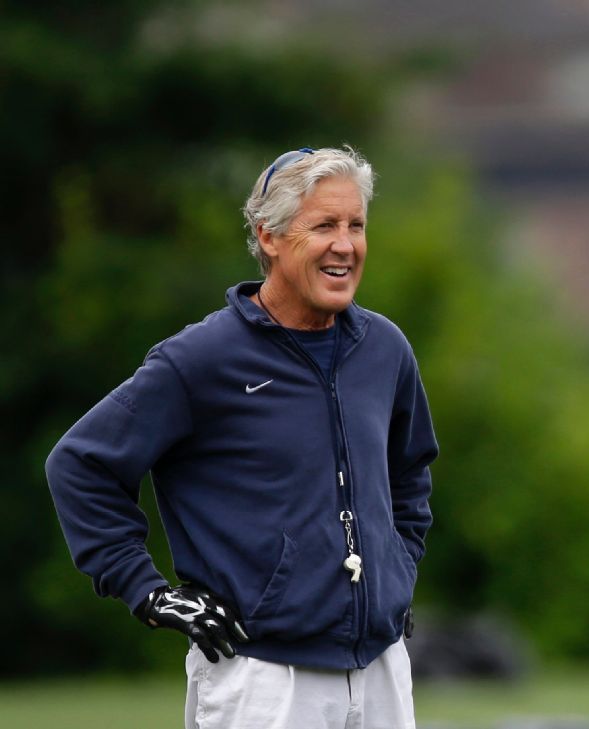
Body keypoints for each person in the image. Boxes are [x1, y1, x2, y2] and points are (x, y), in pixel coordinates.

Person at [46, 146, 438, 729]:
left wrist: (395, 575)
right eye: (324, 226)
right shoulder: (201, 359)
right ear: (270, 236)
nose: (346, 245)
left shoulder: (385, 350)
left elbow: (409, 477)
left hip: (381, 669)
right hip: (261, 679)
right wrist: (148, 593)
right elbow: (80, 465)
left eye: (356, 225)